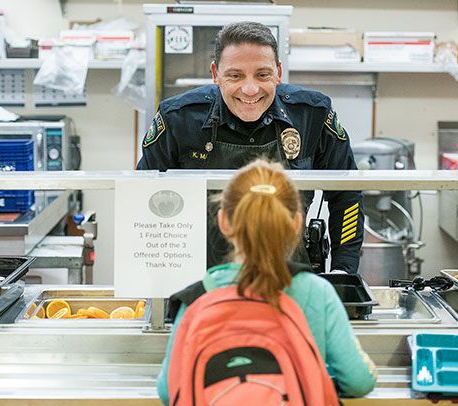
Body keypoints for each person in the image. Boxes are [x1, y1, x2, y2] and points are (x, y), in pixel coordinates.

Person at [137, 21, 363, 274]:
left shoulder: (312, 114)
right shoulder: (178, 118)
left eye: (262, 74)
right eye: (235, 75)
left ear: (278, 72)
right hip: (199, 281)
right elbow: (142, 197)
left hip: (290, 281)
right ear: (215, 74)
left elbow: (347, 192)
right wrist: (156, 277)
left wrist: (344, 271)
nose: (250, 89)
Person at [156, 159, 377, 406]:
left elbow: (167, 392)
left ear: (224, 222)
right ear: (296, 223)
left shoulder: (198, 298)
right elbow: (359, 382)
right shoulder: (317, 293)